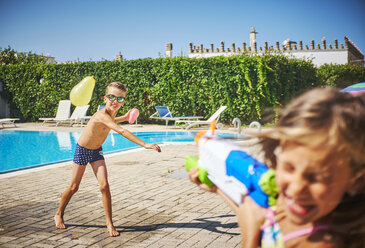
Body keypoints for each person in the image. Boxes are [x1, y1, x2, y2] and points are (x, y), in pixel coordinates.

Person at [189, 88, 365, 247]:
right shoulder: (295, 203)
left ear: (356, 180)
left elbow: (251, 219)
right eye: (288, 167)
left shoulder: (324, 242)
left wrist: (249, 238)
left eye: (317, 177)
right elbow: (254, 213)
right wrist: (216, 186)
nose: (296, 188)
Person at [54, 82, 161, 237]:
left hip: (96, 151)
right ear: (105, 98)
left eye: (120, 99)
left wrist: (124, 117)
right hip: (83, 150)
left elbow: (112, 122)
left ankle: (109, 223)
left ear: (123, 101)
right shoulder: (101, 115)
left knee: (104, 186)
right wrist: (145, 144)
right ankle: (58, 214)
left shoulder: (111, 114)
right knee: (74, 187)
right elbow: (121, 130)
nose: (115, 101)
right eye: (111, 97)